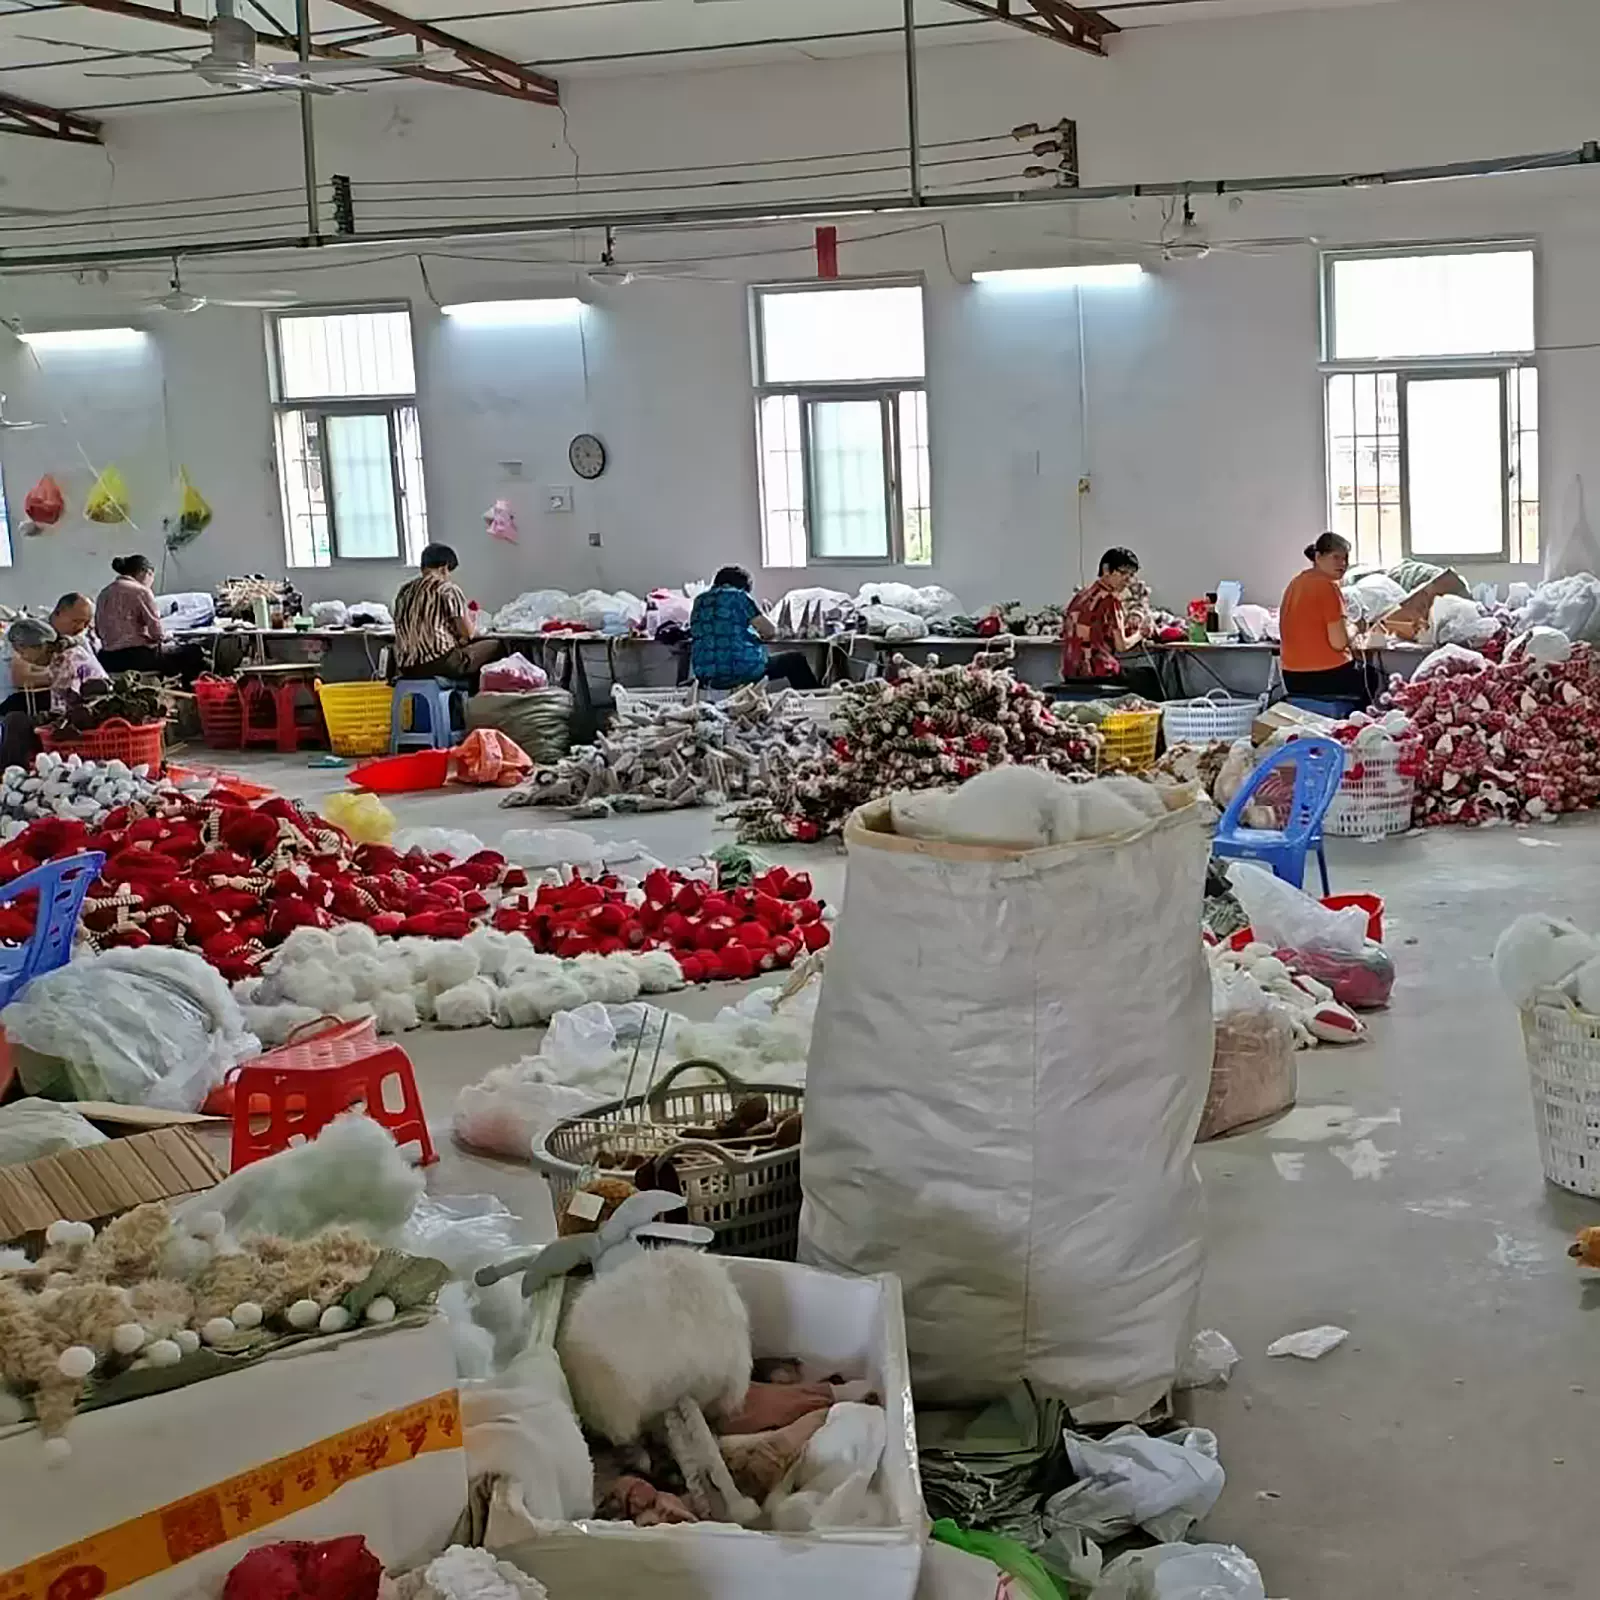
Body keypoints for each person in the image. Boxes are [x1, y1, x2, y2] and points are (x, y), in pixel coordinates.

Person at [1279, 532, 1375, 707]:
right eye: (1336, 557)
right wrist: (1356, 627)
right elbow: (1339, 643)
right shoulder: (1328, 587)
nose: (1343, 564)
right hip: (1326, 676)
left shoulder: (1295, 583)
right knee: (1372, 676)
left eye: (1345, 558)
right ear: (1318, 557)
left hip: (1292, 677)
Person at [690, 567, 820, 691]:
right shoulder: (739, 596)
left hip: (706, 674)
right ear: (743, 586)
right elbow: (769, 631)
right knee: (795, 660)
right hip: (740, 670)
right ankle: (814, 700)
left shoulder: (699, 600)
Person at [0, 617, 107, 769]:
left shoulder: (66, 661)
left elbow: (67, 712)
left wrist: (43, 723)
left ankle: (9, 771)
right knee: (18, 719)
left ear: (41, 646)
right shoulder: (65, 656)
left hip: (94, 723)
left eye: (23, 653)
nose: (25, 659)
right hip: (85, 716)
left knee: (16, 722)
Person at [1060, 547, 1162, 698]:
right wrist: (1141, 633)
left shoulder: (1079, 597)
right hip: (1098, 673)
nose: (1127, 580)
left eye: (1131, 575)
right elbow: (1122, 645)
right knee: (1149, 676)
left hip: (1071, 672)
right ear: (1106, 570)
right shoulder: (1110, 601)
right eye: (1123, 573)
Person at [392, 543, 500, 684]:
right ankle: (472, 695)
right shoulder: (447, 589)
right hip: (438, 663)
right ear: (444, 568)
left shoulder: (404, 591)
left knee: (462, 651)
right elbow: (468, 633)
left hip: (406, 667)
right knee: (495, 646)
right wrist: (471, 621)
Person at [94, 556, 206, 681]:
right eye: (152, 577)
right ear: (146, 572)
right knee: (194, 652)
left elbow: (98, 632)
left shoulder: (104, 593)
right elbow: (157, 634)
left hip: (108, 659)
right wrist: (166, 636)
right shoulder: (141, 591)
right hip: (137, 658)